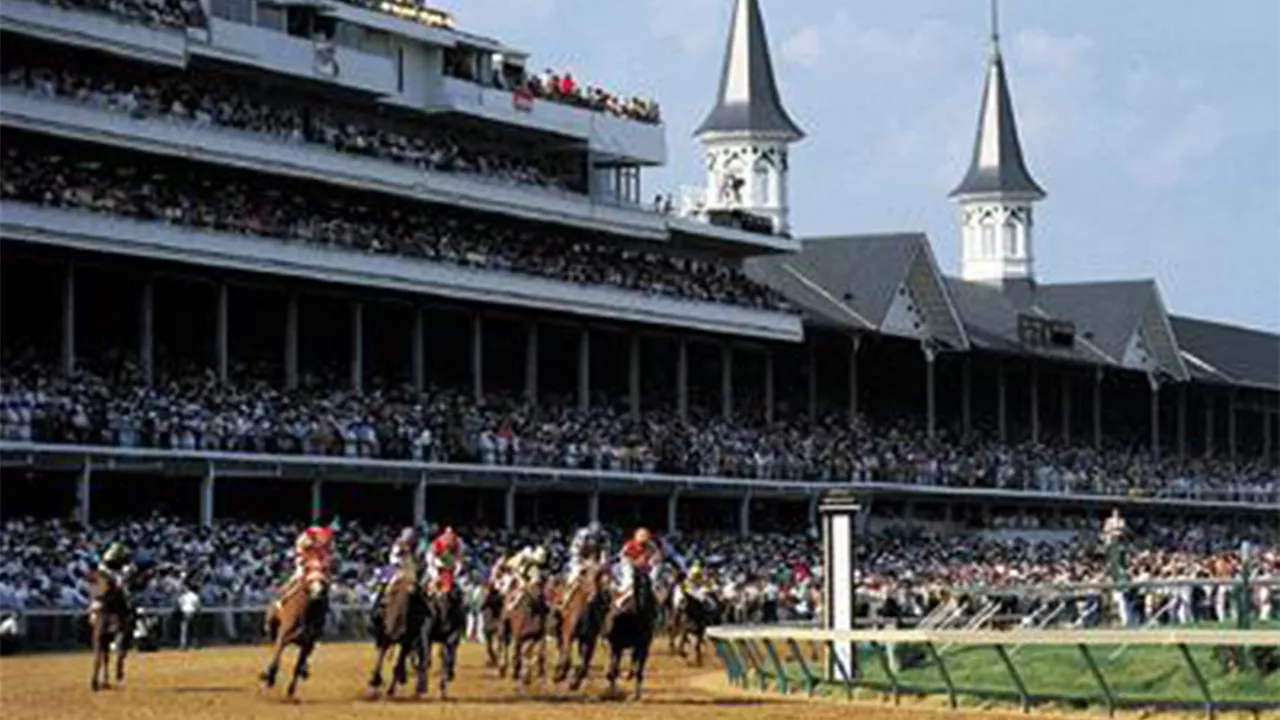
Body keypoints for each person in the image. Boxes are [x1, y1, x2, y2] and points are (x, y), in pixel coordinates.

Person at [281, 525, 334, 603]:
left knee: (327, 574)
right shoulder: (303, 540)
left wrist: (324, 559)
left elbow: (325, 552)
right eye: (314, 534)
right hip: (303, 559)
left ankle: (327, 595)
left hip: (316, 560)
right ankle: (284, 596)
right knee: (299, 574)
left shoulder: (320, 541)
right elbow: (301, 550)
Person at [615, 528, 661, 610]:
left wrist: (653, 560)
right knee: (629, 581)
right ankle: (619, 599)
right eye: (641, 536)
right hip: (628, 564)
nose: (643, 539)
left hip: (644, 566)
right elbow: (625, 557)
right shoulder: (630, 544)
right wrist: (636, 563)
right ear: (636, 536)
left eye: (645, 536)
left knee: (653, 578)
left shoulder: (650, 544)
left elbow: (658, 554)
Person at [564, 521, 606, 599]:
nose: (594, 541)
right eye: (593, 537)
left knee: (604, 579)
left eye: (596, 537)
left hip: (593, 561)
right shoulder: (581, 536)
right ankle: (567, 595)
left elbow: (603, 554)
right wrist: (582, 561)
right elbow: (574, 551)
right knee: (574, 575)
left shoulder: (603, 538)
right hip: (578, 558)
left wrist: (601, 564)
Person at [425, 526, 464, 595]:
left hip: (442, 556)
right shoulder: (447, 579)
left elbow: (430, 554)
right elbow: (458, 564)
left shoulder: (432, 570)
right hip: (446, 557)